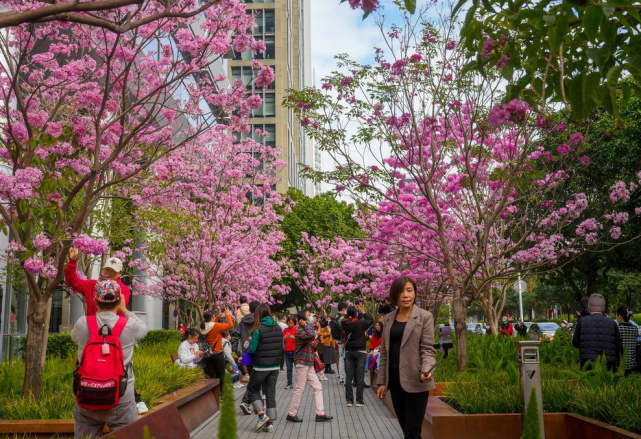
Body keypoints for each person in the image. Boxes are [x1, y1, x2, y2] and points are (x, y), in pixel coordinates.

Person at [65, 248, 150, 415]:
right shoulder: (92, 286)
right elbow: (72, 281)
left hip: (114, 334)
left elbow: (116, 308)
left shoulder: (121, 289)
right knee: (95, 366)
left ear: (119, 274)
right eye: (106, 270)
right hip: (94, 332)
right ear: (102, 270)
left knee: (116, 367)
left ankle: (134, 398)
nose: (109, 273)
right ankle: (96, 394)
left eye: (113, 271)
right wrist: (73, 261)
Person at [71, 280, 148, 439]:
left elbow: (74, 337)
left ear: (94, 300)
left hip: (87, 395)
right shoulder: (129, 325)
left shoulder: (82, 323)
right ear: (120, 300)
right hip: (121, 398)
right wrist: (125, 310)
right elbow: (144, 329)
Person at [376, 276, 436, 439]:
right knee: (406, 430)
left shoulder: (424, 317)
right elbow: (384, 351)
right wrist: (382, 381)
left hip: (416, 380)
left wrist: (427, 369)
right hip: (395, 382)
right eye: (401, 291)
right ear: (395, 295)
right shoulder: (388, 318)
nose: (405, 295)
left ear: (415, 294)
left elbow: (428, 349)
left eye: (409, 290)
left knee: (412, 431)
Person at [286, 310, 333, 424]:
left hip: (309, 362)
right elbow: (311, 335)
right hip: (302, 363)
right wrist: (307, 326)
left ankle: (320, 413)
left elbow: (311, 340)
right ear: (302, 319)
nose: (311, 317)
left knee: (317, 387)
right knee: (299, 389)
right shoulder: (299, 330)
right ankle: (292, 414)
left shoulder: (305, 329)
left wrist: (314, 342)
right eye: (308, 316)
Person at [246, 304, 284, 433]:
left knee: (252, 389)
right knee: (270, 393)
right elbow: (282, 346)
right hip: (275, 367)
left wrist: (251, 341)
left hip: (261, 366)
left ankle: (262, 416)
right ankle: (270, 425)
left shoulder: (258, 329)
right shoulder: (278, 328)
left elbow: (252, 349)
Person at [572, 294, 623, 371]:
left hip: (587, 363)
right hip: (608, 364)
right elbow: (619, 346)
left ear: (589, 307)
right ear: (603, 308)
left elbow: (575, 343)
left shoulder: (582, 321)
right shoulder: (612, 323)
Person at [342, 304, 374, 407]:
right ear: (356, 313)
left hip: (349, 352)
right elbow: (371, 320)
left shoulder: (344, 323)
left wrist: (348, 314)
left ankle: (349, 401)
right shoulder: (361, 323)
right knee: (360, 377)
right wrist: (363, 312)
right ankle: (359, 401)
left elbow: (346, 319)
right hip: (360, 352)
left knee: (348, 377)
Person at [201, 308, 234, 393]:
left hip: (208, 354)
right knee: (221, 374)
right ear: (212, 317)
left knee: (211, 374)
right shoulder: (216, 326)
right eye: (214, 316)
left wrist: (218, 316)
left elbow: (212, 324)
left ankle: (212, 393)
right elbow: (230, 325)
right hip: (217, 353)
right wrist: (227, 314)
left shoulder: (204, 326)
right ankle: (222, 394)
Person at [239, 301, 262, 415]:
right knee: (255, 379)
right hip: (258, 354)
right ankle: (246, 401)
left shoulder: (242, 322)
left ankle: (256, 402)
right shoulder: (259, 321)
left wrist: (237, 350)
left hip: (246, 354)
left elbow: (235, 335)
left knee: (254, 378)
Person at [616, 305, 639, 376]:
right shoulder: (635, 329)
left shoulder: (617, 328)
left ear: (619, 316)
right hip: (632, 365)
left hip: (620, 365)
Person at [332, 302, 348, 385]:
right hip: (343, 341)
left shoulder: (335, 317)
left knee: (341, 359)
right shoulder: (342, 318)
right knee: (344, 359)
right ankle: (344, 377)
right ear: (343, 309)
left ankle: (341, 377)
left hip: (338, 341)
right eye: (346, 309)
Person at [283, 315, 297, 389]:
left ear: (294, 323)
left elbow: (299, 340)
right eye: (288, 323)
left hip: (295, 351)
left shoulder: (297, 329)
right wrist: (284, 338)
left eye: (291, 323)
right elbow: (281, 340)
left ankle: (299, 382)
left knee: (297, 368)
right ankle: (289, 383)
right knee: (289, 368)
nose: (290, 324)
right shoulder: (285, 330)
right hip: (287, 351)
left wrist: (293, 338)